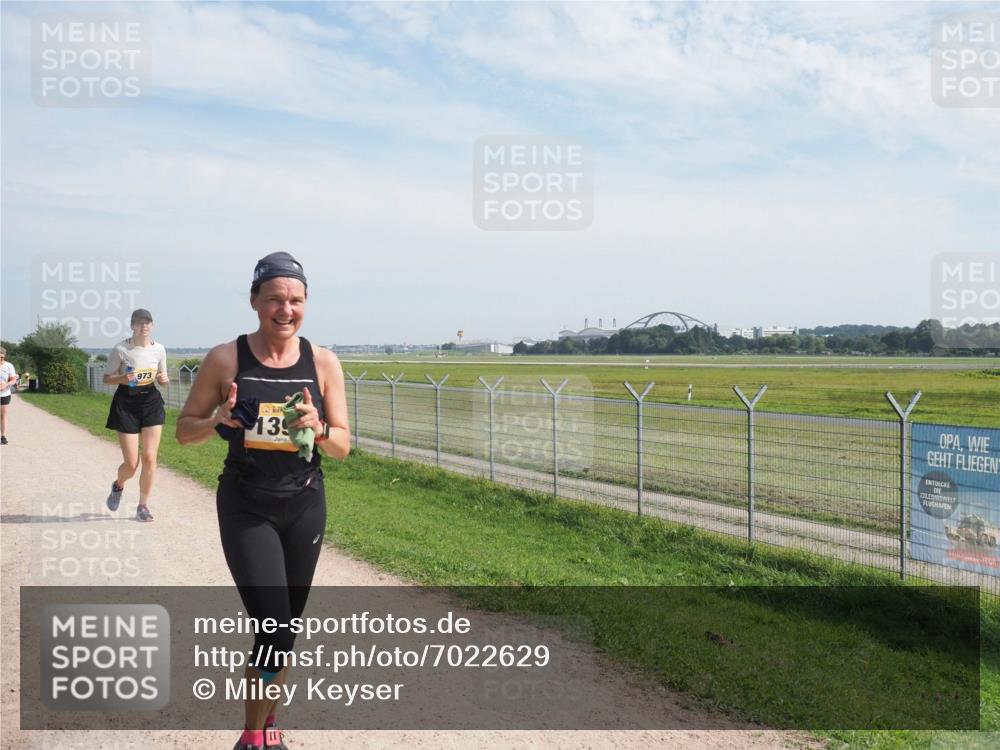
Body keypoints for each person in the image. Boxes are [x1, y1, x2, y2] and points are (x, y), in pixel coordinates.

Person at [176, 252, 350, 750]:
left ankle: (267, 724)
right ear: (254, 301)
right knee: (273, 624)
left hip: (304, 504)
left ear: (306, 304)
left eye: (295, 299)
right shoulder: (226, 358)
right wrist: (218, 421)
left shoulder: (323, 362)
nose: (285, 309)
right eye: (274, 298)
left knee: (285, 630)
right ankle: (254, 736)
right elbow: (184, 433)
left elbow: (342, 446)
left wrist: (318, 428)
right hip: (247, 504)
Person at [103, 309, 169, 522]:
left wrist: (163, 378)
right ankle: (118, 485)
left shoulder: (159, 349)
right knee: (132, 464)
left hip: (150, 402)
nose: (144, 326)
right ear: (132, 326)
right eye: (140, 323)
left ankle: (142, 506)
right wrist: (124, 377)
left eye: (148, 322)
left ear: (153, 325)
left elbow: (162, 378)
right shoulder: (122, 349)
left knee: (149, 457)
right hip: (127, 403)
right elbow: (107, 379)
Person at [0, 347, 18, 445]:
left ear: (4, 356)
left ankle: (3, 436)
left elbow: (13, 380)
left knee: (3, 415)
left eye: (2, 357)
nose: (0, 359)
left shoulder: (9, 366)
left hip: (4, 394)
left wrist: (6, 385)